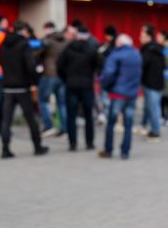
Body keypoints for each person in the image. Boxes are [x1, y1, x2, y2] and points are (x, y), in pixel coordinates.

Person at [0, 22, 48, 159]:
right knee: (31, 118)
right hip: (22, 86)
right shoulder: (24, 45)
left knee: (6, 120)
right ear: (24, 31)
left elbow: (0, 62)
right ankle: (37, 147)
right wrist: (34, 81)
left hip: (7, 86)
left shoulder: (3, 44)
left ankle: (5, 148)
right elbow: (30, 66)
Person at [98, 33, 142, 160]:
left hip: (118, 94)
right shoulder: (137, 54)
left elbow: (108, 74)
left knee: (111, 122)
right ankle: (125, 151)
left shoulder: (116, 55)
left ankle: (108, 149)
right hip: (132, 94)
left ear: (120, 43)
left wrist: (105, 86)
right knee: (128, 124)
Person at [57, 24, 99, 152]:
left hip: (71, 85)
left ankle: (72, 143)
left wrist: (66, 78)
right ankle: (89, 142)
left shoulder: (68, 48)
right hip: (86, 85)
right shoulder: (91, 49)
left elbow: (59, 66)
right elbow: (99, 64)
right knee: (88, 116)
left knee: (71, 115)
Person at [38, 22, 68, 136]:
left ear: (47, 29)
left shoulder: (47, 41)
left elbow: (37, 53)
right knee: (62, 103)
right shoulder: (64, 41)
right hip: (62, 75)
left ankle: (48, 126)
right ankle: (64, 128)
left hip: (49, 74)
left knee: (43, 100)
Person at [138, 24, 166, 139]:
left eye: (142, 34)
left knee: (153, 107)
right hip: (156, 82)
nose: (140, 37)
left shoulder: (149, 50)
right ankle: (149, 127)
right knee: (151, 107)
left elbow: (142, 65)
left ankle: (155, 131)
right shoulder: (156, 49)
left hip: (152, 83)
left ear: (148, 37)